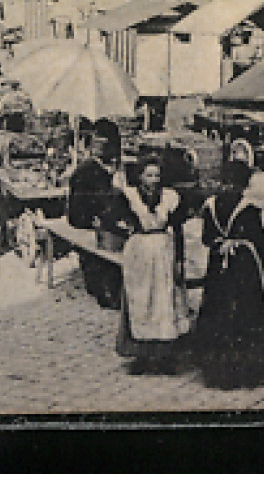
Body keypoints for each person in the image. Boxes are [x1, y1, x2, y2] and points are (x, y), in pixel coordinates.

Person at [194, 159, 264, 387]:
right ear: (245, 184)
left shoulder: (212, 205)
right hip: (243, 267)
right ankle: (244, 372)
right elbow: (260, 241)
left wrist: (220, 243)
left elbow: (206, 238)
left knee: (217, 310)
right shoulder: (250, 208)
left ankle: (216, 372)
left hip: (218, 266)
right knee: (245, 312)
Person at [114, 155, 189, 371]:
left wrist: (180, 260)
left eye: (157, 175)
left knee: (163, 301)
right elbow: (111, 218)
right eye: (149, 175)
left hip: (164, 249)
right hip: (139, 251)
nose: (154, 179)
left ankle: (165, 356)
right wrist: (126, 229)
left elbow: (178, 229)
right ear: (140, 177)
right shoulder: (129, 197)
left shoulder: (170, 197)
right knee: (141, 299)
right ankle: (141, 355)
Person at [67, 123, 124, 308]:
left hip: (88, 214)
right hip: (83, 218)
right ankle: (105, 289)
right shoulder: (90, 171)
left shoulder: (94, 167)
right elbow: (99, 202)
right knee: (110, 236)